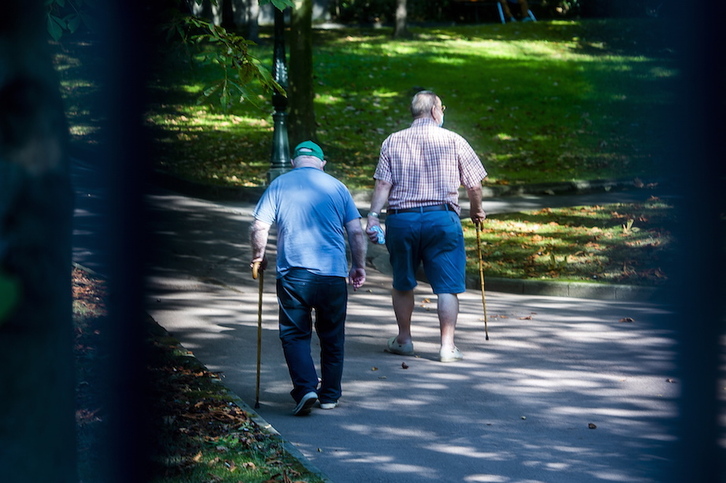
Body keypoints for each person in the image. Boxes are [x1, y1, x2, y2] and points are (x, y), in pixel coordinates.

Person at [365, 91, 487, 363]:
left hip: (402, 219)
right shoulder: (454, 140)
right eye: (442, 107)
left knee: (403, 282)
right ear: (434, 111)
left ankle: (404, 339)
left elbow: (383, 184)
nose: (443, 111)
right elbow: (474, 185)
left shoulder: (392, 141)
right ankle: (446, 346)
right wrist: (477, 210)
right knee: (447, 287)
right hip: (441, 219)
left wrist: (373, 215)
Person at [250, 141, 367, 415]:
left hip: (294, 273)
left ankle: (305, 388)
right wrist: (358, 266)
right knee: (332, 336)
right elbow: (356, 232)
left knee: (294, 334)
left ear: (293, 162)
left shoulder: (280, 184)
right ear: (322, 163)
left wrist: (259, 256)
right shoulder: (337, 187)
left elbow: (259, 226)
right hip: (333, 274)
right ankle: (329, 395)